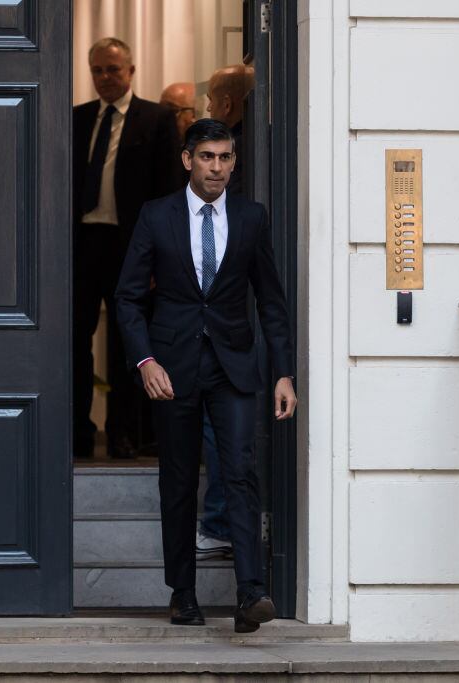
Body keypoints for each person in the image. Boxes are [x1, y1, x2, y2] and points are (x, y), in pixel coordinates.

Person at [115, 119, 296, 633]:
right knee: (177, 479)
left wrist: (283, 373)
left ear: (234, 162)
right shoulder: (157, 216)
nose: (217, 167)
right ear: (187, 160)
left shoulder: (251, 217)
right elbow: (128, 298)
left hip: (233, 367)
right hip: (171, 370)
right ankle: (183, 593)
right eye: (207, 157)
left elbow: (271, 301)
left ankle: (251, 592)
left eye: (225, 157)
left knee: (239, 471)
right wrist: (145, 361)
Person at [73, 38, 182, 459]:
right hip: (82, 246)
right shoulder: (77, 118)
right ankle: (78, 433)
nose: (105, 77)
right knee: (74, 340)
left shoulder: (156, 119)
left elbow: (169, 192)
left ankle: (123, 434)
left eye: (113, 69)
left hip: (131, 248)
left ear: (131, 71)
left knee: (126, 344)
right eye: (97, 70)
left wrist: (159, 257)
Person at [195, 64, 257, 562]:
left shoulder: (239, 161)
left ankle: (220, 523)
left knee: (223, 432)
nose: (216, 166)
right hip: (220, 330)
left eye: (212, 99)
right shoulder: (254, 146)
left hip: (232, 327)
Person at [206, 64, 255, 194]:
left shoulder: (231, 151)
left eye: (211, 100)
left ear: (227, 105)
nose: (208, 108)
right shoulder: (270, 138)